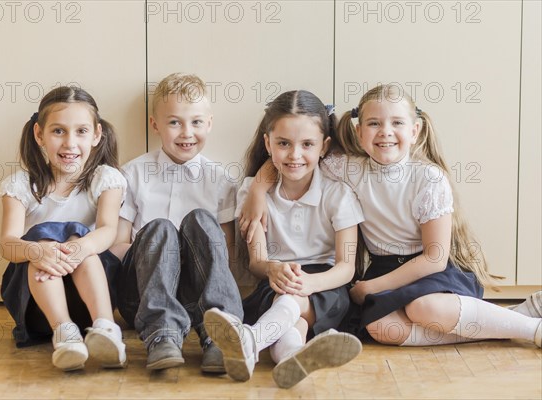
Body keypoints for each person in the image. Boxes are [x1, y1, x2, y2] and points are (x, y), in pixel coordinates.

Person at [239, 84, 542, 349]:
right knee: (381, 328)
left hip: (430, 270)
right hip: (384, 269)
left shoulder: (428, 178)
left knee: (424, 308)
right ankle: (503, 324)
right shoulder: (349, 168)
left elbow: (435, 258)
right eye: (373, 123)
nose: (385, 132)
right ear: (358, 132)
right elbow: (294, 159)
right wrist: (257, 191)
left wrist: (372, 287)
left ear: (415, 131)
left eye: (397, 122)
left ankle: (531, 329)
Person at [204, 90, 363, 389]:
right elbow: (256, 262)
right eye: (283, 144)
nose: (294, 155)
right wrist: (273, 268)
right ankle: (293, 355)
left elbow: (347, 266)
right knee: (293, 317)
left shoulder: (338, 194)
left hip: (326, 285)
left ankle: (251, 339)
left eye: (307, 145)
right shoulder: (252, 193)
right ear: (268, 143)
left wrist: (310, 283)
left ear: (324, 146)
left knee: (292, 298)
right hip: (274, 280)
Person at [110, 73, 243, 373]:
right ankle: (162, 334)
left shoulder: (221, 181)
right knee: (161, 228)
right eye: (174, 122)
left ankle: (220, 335)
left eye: (196, 122)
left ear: (209, 123)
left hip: (199, 300)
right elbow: (118, 244)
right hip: (142, 297)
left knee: (200, 221)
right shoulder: (132, 175)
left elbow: (225, 256)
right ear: (155, 125)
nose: (186, 132)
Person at [0, 86, 127, 371]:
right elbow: (7, 242)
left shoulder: (106, 179)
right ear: (39, 135)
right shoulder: (21, 185)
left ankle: (107, 328)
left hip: (90, 298)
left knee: (81, 237)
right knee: (42, 238)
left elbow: (107, 229)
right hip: (36, 304)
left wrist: (78, 248)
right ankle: (64, 332)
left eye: (81, 131)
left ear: (96, 135)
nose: (70, 143)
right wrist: (37, 251)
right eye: (58, 131)